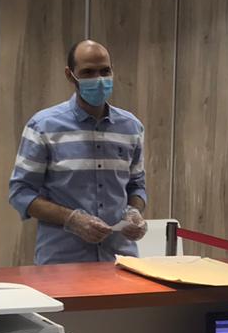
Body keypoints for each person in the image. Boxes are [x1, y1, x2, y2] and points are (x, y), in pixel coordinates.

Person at [8, 40, 148, 264]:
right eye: (88, 72)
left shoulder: (131, 127)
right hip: (62, 263)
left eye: (105, 71)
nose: (99, 79)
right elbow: (20, 192)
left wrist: (134, 212)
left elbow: (137, 186)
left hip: (120, 261)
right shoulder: (43, 126)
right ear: (70, 75)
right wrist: (71, 219)